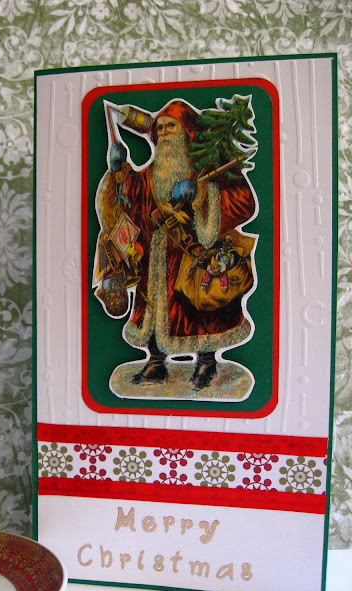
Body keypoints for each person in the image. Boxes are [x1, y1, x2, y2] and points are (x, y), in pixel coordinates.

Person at [94, 99, 256, 392]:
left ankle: (206, 363)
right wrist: (118, 172)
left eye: (171, 126)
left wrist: (203, 194)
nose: (164, 133)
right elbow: (128, 202)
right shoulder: (150, 174)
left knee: (200, 310)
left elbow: (244, 202)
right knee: (155, 308)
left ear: (187, 132)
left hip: (193, 258)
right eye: (160, 128)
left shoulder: (209, 166)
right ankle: (156, 363)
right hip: (155, 258)